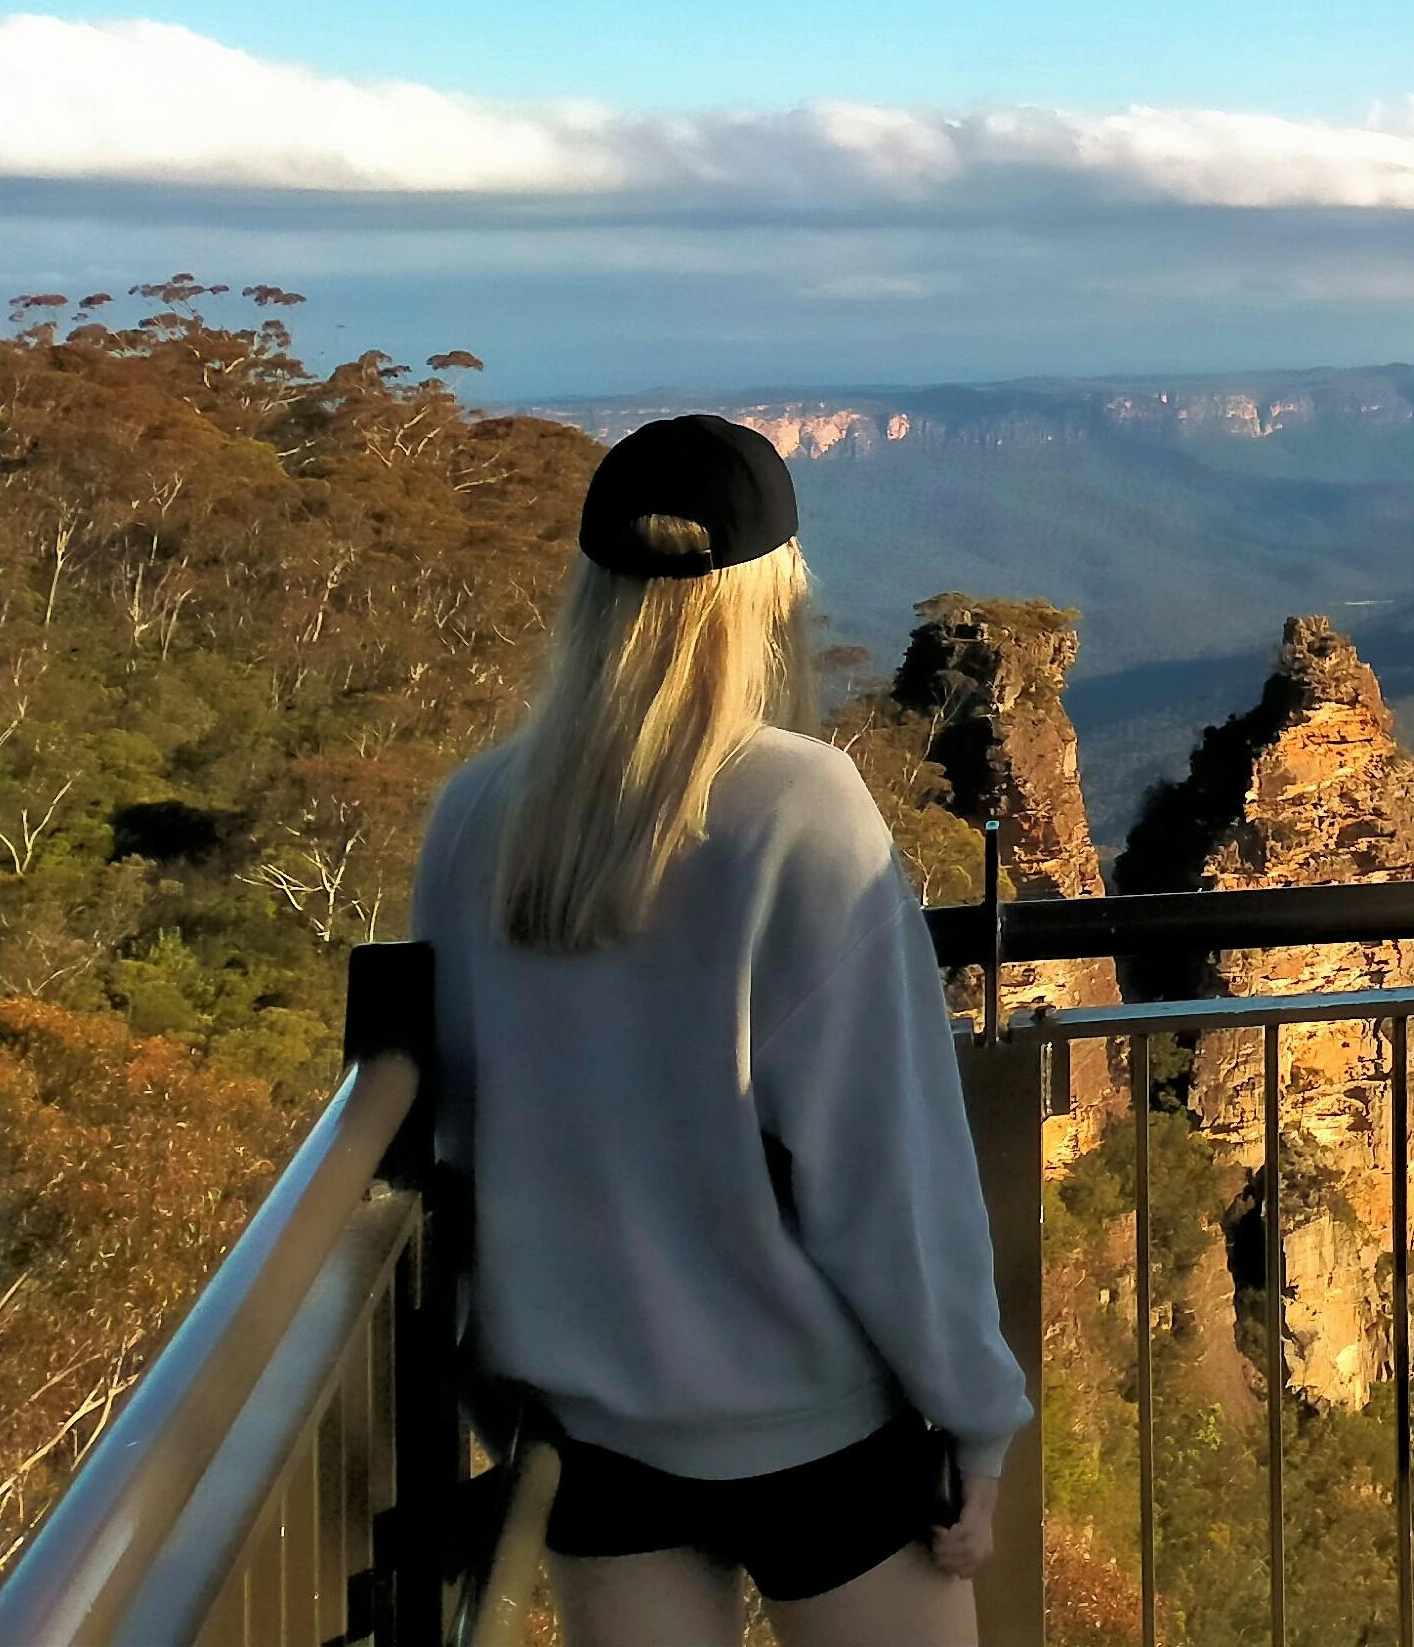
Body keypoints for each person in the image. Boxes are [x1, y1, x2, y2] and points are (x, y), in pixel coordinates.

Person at [411, 415, 1032, 1647]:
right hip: (810, 1430)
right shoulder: (801, 806)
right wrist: (976, 1413)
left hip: (587, 1428)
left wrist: (495, 1379)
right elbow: (885, 1166)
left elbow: (458, 1136)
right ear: (771, 598)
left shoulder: (475, 816)